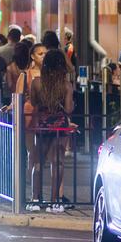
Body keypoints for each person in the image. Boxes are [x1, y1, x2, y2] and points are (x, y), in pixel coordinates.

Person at [27, 49, 74, 212]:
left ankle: (35, 199)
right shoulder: (66, 86)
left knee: (38, 162)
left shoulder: (37, 83)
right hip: (60, 126)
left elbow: (33, 102)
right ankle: (55, 201)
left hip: (41, 125)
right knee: (58, 162)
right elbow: (68, 109)